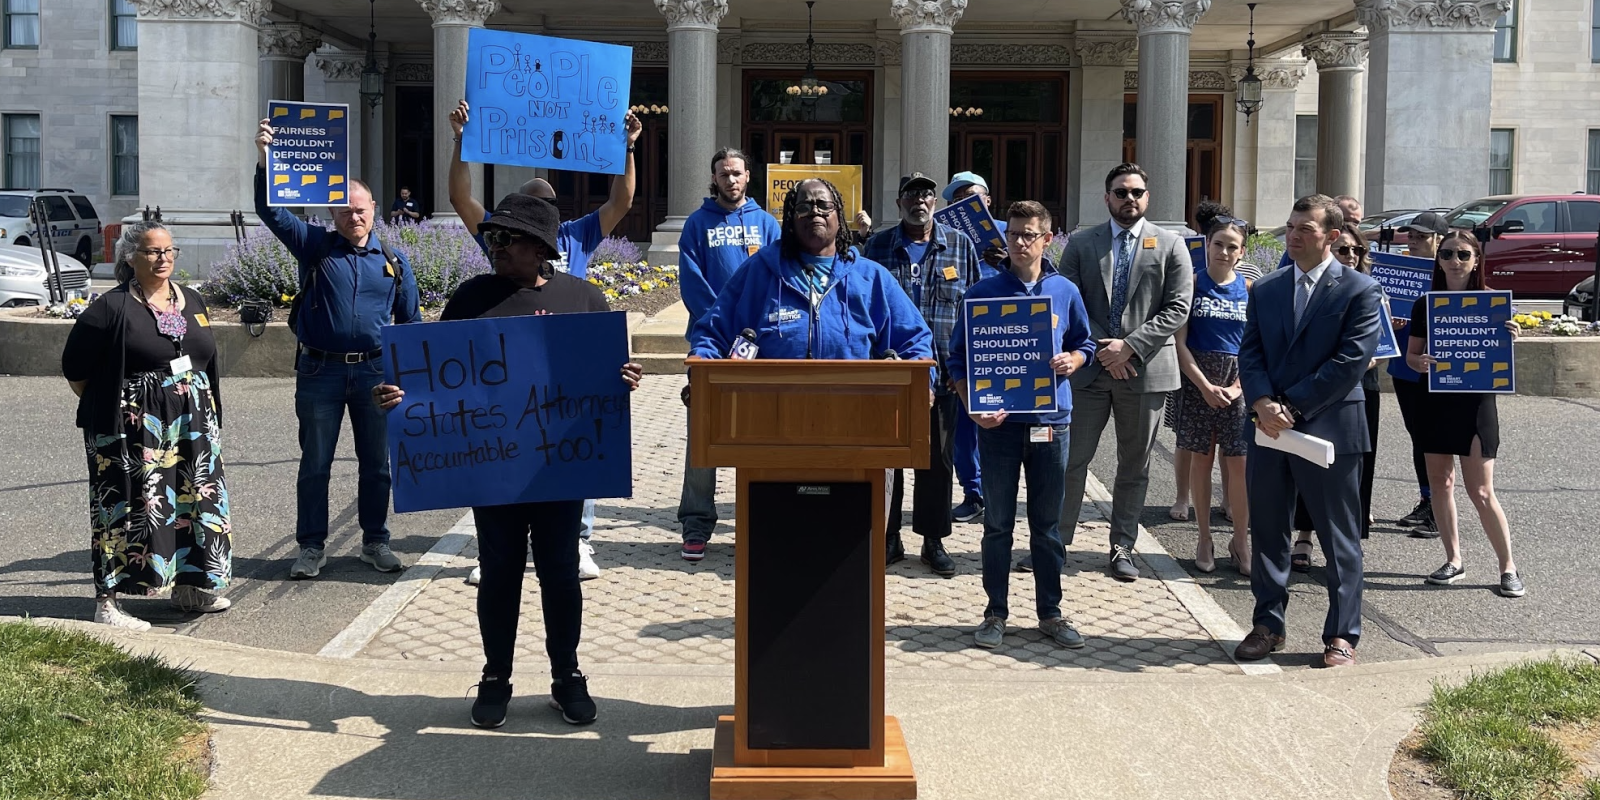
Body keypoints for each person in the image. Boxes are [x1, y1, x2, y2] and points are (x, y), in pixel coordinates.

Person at [373, 194, 645, 729]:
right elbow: (432, 374)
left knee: (560, 573)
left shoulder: (585, 299)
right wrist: (399, 397)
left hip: (560, 468)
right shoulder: (472, 297)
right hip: (491, 465)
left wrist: (625, 380)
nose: (492, 246)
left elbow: (603, 378)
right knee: (499, 573)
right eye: (491, 237)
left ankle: (567, 676)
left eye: (505, 239)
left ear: (539, 247)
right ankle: (496, 675)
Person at [448, 99, 642, 581]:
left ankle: (578, 539)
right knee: (500, 445)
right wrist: (460, 143)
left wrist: (627, 148)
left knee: (579, 438)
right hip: (510, 360)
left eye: (548, 208)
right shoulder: (502, 239)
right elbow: (461, 199)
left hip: (565, 359)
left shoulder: (577, 235)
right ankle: (488, 547)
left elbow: (622, 202)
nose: (542, 214)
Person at [254, 119, 420, 580]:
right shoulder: (314, 246)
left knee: (377, 466)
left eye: (361, 210)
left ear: (374, 212)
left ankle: (375, 541)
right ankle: (311, 547)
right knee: (315, 466)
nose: (354, 217)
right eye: (345, 211)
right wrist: (266, 158)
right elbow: (271, 211)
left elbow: (411, 325)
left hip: (375, 374)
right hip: (319, 373)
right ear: (332, 215)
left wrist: (408, 383)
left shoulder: (394, 261)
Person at [1234, 194, 1382, 669]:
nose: (1293, 236)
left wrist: (1290, 407)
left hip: (1330, 428)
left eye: (1306, 229)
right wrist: (1260, 403)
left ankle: (1342, 634)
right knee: (1270, 531)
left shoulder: (1359, 290)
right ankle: (1267, 625)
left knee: (1339, 538)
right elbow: (1251, 353)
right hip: (1269, 430)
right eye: (1291, 226)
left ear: (1332, 237)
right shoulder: (1267, 288)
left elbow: (1349, 363)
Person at [62, 222, 233, 630]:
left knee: (193, 504)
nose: (164, 259)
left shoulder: (191, 299)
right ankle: (107, 602)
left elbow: (204, 359)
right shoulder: (111, 307)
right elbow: (76, 371)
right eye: (153, 252)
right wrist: (125, 402)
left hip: (191, 425)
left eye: (169, 251)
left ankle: (190, 587)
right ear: (130, 257)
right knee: (123, 507)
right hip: (131, 429)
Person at [947, 201, 1096, 650]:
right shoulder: (981, 293)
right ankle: (995, 611)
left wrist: (1074, 359)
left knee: (1047, 527)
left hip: (1052, 423)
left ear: (1047, 239)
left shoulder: (1064, 290)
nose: (1018, 242)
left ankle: (1050, 612)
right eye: (1012, 234)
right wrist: (971, 404)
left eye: (1029, 234)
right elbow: (956, 358)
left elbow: (1083, 341)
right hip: (999, 427)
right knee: (997, 524)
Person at [1054, 163, 1193, 582]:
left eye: (1136, 192)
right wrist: (1105, 348)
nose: (1128, 199)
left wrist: (1129, 347)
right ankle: (1056, 543)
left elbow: (1178, 306)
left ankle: (1122, 546)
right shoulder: (1081, 243)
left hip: (1145, 371)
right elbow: (1068, 300)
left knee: (1135, 465)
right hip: (1089, 372)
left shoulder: (1171, 245)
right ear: (1107, 197)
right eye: (1120, 192)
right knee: (1070, 461)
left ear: (1146, 197)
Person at [862, 172, 984, 576]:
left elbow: (975, 310)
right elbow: (863, 307)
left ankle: (933, 540)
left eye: (927, 194)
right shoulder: (877, 246)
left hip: (945, 376)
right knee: (888, 458)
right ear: (899, 202)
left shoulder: (960, 245)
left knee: (937, 461)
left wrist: (963, 366)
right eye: (912, 194)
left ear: (936, 201)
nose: (921, 200)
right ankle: (889, 536)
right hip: (891, 375)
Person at [688, 177, 933, 366]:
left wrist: (920, 380)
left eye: (824, 205)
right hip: (769, 413)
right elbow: (712, 333)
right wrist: (701, 369)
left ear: (839, 216)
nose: (815, 212)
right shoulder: (758, 271)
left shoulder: (871, 277)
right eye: (804, 207)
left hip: (854, 417)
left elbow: (915, 340)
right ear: (790, 220)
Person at [1404, 231, 1525, 598]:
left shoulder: (1494, 303)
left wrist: (1511, 336)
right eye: (1447, 254)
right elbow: (1411, 356)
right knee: (1440, 484)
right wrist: (1420, 363)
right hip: (1436, 402)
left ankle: (1508, 566)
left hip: (1476, 406)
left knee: (1482, 490)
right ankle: (1453, 558)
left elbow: (1500, 353)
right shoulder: (1426, 304)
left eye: (1462, 254)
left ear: (1476, 260)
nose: (1454, 261)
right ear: (1438, 260)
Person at [675, 147, 781, 561]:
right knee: (704, 434)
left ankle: (758, 518)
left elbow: (777, 280)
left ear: (748, 177)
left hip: (759, 347)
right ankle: (696, 522)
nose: (731, 180)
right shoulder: (697, 225)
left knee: (758, 434)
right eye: (723, 174)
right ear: (714, 178)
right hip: (711, 345)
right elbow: (692, 282)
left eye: (737, 173)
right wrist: (722, 322)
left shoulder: (768, 225)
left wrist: (755, 326)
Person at [1291, 223, 1378, 571]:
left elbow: (1380, 342)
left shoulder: (1370, 290)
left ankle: (1345, 545)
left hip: (1361, 389)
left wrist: (1376, 354)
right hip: (1316, 388)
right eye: (1345, 250)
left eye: (1358, 251)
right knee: (1309, 461)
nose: (1352, 256)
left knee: (1354, 470)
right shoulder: (1309, 288)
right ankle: (1304, 535)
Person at [1173, 216, 1251, 575]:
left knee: (1239, 465)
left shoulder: (1250, 290)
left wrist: (1238, 388)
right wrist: (1204, 385)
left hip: (1237, 385)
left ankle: (1239, 540)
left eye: (1232, 246)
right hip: (1198, 382)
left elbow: (1255, 347)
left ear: (1241, 252)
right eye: (1218, 244)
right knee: (1201, 461)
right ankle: (1204, 537)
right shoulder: (1192, 284)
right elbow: (1180, 342)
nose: (1224, 251)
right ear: (1206, 245)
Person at [942, 171, 1004, 524]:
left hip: (1001, 345)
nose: (967, 202)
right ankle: (974, 492)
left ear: (988, 200)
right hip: (962, 347)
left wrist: (1007, 260)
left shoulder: (1009, 235)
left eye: (973, 195)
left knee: (1001, 427)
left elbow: (1041, 280)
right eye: (959, 197)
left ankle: (999, 495)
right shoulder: (946, 240)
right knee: (964, 427)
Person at [1387, 210, 1449, 538]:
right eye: (1411, 235)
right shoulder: (1399, 271)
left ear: (1439, 241)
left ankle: (1439, 509)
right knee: (1417, 436)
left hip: (1433, 370)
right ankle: (1427, 499)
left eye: (1421, 236)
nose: (1413, 241)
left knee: (1433, 439)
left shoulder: (1447, 274)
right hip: (1403, 365)